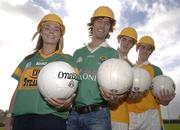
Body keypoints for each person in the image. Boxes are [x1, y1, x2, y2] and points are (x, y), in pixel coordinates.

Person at [5, 13, 77, 130]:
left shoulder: (68, 61)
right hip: (21, 120)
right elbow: (18, 90)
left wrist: (68, 103)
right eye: (47, 28)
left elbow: (73, 88)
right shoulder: (28, 60)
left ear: (60, 35)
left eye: (56, 29)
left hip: (52, 119)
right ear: (41, 32)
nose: (51, 32)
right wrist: (9, 116)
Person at [67, 6, 119, 130]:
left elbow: (117, 91)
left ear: (110, 29)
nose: (102, 26)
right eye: (99, 21)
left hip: (99, 115)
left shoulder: (113, 54)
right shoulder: (78, 53)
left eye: (107, 23)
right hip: (74, 114)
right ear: (92, 24)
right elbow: (71, 83)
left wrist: (114, 98)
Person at [127, 35, 175, 130]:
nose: (145, 51)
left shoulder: (156, 70)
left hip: (151, 116)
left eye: (148, 49)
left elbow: (162, 99)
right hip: (131, 115)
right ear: (138, 48)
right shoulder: (129, 69)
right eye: (142, 47)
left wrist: (166, 100)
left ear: (151, 52)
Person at [110, 27, 138, 130]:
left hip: (120, 117)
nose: (126, 44)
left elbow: (130, 97)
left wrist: (134, 96)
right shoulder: (106, 57)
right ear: (119, 40)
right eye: (124, 39)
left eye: (130, 42)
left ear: (133, 45)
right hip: (99, 114)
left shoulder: (133, 68)